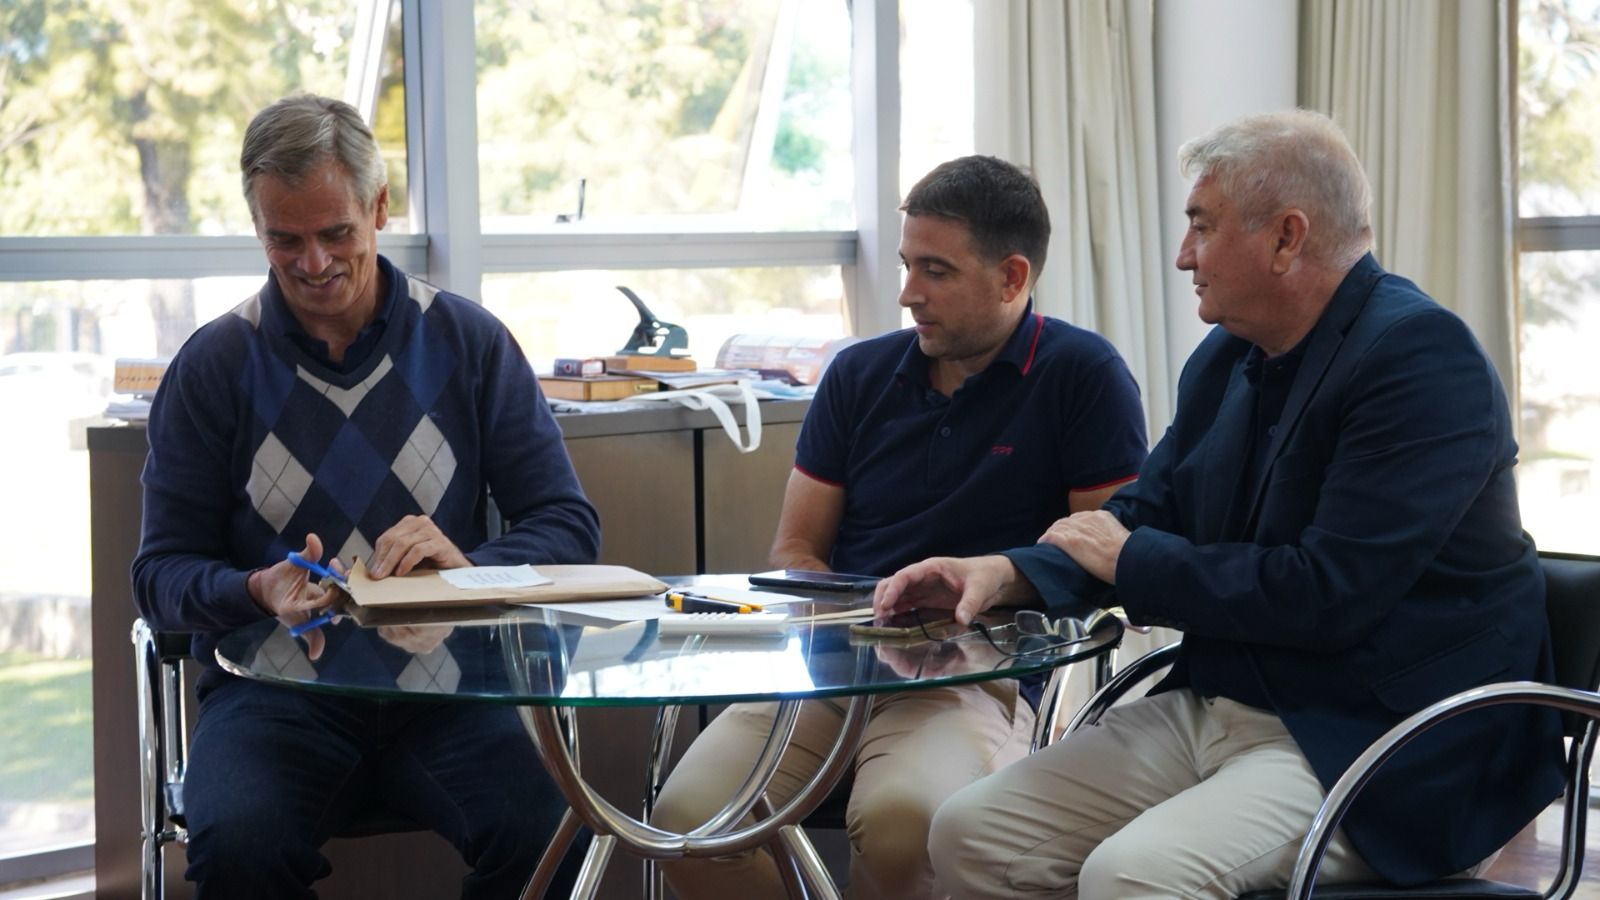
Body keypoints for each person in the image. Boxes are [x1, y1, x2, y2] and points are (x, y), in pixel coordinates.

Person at [876, 110, 1568, 899]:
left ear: (1286, 238)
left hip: (1388, 736)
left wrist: (1134, 561)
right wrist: (1000, 575)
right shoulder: (1227, 355)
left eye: (1201, 226)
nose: (1183, 255)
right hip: (1227, 701)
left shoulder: (1421, 361)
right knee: (971, 833)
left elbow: (1329, 593)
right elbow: (1147, 511)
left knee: (1131, 876)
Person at [130, 93, 601, 899]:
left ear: (380, 207)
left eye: (336, 233)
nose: (313, 263)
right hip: (273, 696)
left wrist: (468, 570)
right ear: (258, 228)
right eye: (285, 240)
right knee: (239, 849)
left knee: (553, 836)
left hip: (452, 691)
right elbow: (159, 574)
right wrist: (256, 589)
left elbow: (568, 525)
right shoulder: (214, 366)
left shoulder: (469, 342)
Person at [653, 155, 1149, 899]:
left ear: (1012, 278)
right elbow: (796, 548)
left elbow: (1104, 557)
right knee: (687, 826)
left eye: (936, 271)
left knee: (903, 826)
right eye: (907, 265)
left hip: (977, 674)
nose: (909, 293)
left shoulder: (1084, 375)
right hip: (831, 667)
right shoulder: (857, 374)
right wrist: (840, 630)